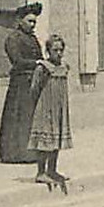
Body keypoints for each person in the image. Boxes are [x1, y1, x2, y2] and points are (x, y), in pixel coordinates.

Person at [0, 2, 43, 164]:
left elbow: (40, 57)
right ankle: (13, 153)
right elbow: (17, 61)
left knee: (29, 117)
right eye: (30, 21)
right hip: (20, 83)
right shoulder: (13, 38)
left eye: (34, 22)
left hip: (33, 83)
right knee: (17, 117)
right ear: (20, 21)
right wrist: (37, 63)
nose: (33, 25)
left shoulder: (32, 39)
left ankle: (29, 152)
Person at [29, 34, 73, 188]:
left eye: (61, 50)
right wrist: (40, 105)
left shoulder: (64, 67)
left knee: (56, 139)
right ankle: (41, 173)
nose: (59, 53)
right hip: (45, 108)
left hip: (59, 108)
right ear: (48, 51)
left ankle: (52, 170)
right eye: (55, 50)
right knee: (44, 141)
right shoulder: (42, 68)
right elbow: (34, 88)